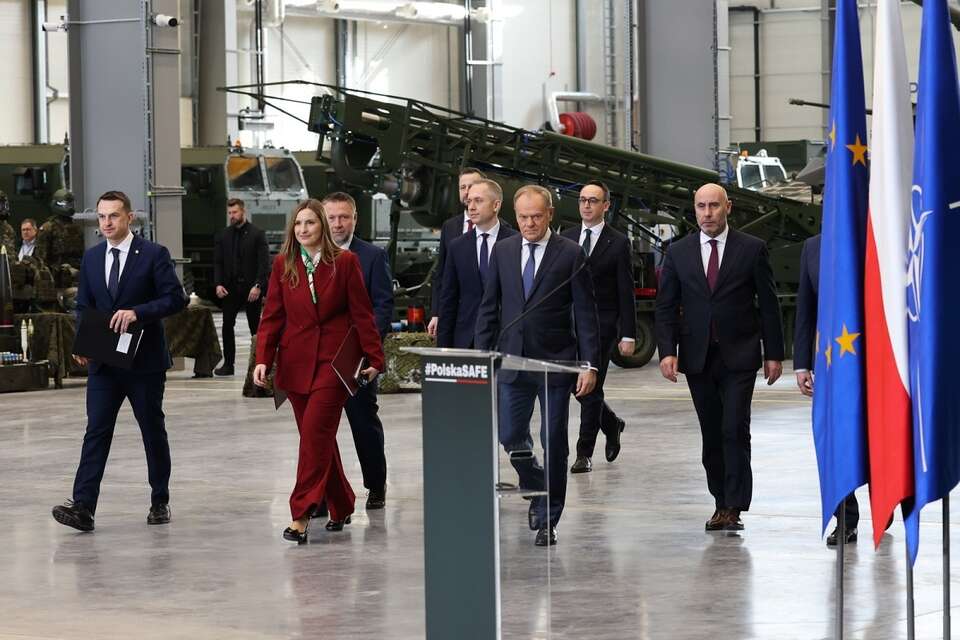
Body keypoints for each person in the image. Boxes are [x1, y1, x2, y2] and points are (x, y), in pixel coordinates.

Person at [51, 191, 188, 532]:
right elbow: (84, 306)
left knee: (151, 430)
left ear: (129, 217)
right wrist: (82, 343)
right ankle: (83, 506)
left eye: (113, 215)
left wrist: (138, 312)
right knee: (96, 431)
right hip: (104, 364)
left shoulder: (153, 254)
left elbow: (175, 298)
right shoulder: (92, 258)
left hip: (144, 363)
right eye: (101, 217)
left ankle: (159, 500)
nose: (107, 222)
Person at [654, 183, 784, 532]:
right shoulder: (678, 252)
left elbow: (768, 305)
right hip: (697, 357)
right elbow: (666, 307)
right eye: (701, 206)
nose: (707, 213)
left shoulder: (752, 249)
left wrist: (773, 353)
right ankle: (720, 500)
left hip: (740, 354)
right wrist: (667, 351)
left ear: (728, 207)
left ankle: (734, 506)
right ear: (694, 209)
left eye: (714, 205)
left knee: (734, 428)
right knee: (712, 432)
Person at [253, 199, 384, 544]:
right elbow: (272, 316)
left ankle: (300, 514)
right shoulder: (284, 264)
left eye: (309, 223)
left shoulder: (345, 262)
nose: (303, 229)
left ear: (321, 227)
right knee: (319, 439)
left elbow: (362, 313)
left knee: (314, 435)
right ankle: (342, 504)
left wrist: (374, 357)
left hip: (333, 364)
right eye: (298, 224)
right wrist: (263, 358)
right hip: (295, 364)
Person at [475, 185, 600, 547]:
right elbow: (489, 307)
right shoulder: (503, 251)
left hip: (555, 363)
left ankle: (549, 517)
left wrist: (589, 365)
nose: (529, 224)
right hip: (512, 361)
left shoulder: (570, 253)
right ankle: (533, 480)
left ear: (550, 215)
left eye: (536, 216)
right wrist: (482, 357)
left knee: (554, 441)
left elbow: (586, 314)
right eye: (523, 217)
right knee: (510, 435)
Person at [323, 191, 393, 510]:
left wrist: (366, 349)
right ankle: (322, 492)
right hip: (320, 356)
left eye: (344, 217)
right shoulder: (311, 255)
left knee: (364, 423)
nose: (338, 224)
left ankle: (376, 485)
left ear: (355, 219)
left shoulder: (373, 256)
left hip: (357, 357)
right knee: (319, 430)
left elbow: (382, 306)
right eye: (332, 217)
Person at [561, 181, 637, 473]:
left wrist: (627, 333)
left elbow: (625, 291)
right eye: (582, 200)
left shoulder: (617, 242)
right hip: (569, 327)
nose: (586, 205)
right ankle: (611, 423)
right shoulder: (566, 237)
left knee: (591, 386)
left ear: (606, 205)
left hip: (601, 328)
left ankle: (584, 453)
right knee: (577, 387)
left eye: (593, 200)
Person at [794, 233, 858, 546]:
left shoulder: (881, 232)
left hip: (877, 363)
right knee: (836, 442)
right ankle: (846, 518)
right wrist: (801, 364)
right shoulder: (813, 247)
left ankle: (884, 497)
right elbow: (805, 309)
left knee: (874, 438)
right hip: (833, 362)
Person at [437, 178, 516, 348]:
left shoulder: (516, 242)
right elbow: (448, 300)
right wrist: (443, 349)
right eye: (469, 201)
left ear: (496, 205)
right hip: (467, 338)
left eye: (478, 201)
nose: (471, 207)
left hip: (507, 338)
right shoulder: (457, 246)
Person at [213, 198, 270, 377]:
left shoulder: (257, 234)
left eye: (235, 212)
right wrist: (218, 284)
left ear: (243, 211)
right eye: (230, 213)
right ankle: (228, 364)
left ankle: (259, 364)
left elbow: (264, 264)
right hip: (230, 288)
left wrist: (258, 286)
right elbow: (218, 262)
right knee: (227, 325)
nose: (232, 216)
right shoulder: (223, 235)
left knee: (255, 328)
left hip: (251, 289)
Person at [427, 167, 486, 338]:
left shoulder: (503, 229)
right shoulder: (450, 226)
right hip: (456, 314)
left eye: (471, 186)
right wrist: (436, 313)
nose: (467, 192)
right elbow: (441, 272)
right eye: (462, 187)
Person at [0, 191, 15, 257]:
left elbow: (10, 254)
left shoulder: (7, 229)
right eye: (1, 204)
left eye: (4, 204)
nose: (4, 207)